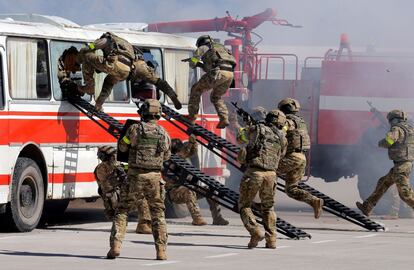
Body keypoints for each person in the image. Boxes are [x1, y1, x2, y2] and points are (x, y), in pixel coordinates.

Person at [107, 99, 171, 260]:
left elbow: (122, 147)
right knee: (157, 214)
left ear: (143, 113)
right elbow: (167, 155)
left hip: (135, 176)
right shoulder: (164, 132)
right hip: (155, 178)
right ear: (158, 115)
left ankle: (115, 246)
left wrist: (126, 142)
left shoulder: (135, 129)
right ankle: (161, 251)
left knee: (122, 210)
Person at [74, 32, 181, 111]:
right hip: (132, 68)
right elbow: (157, 81)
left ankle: (91, 89)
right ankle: (172, 95)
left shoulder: (106, 39)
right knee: (156, 81)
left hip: (115, 65)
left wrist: (80, 57)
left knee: (87, 56)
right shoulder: (125, 44)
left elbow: (91, 47)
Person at [237, 109, 287, 249]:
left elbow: (240, 139)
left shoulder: (256, 128)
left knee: (244, 205)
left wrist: (247, 126)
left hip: (254, 172)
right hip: (271, 175)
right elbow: (281, 155)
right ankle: (271, 240)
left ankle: (255, 231)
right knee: (268, 208)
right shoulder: (282, 136)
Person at [356, 109, 414, 216]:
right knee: (383, 183)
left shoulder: (396, 129)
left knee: (406, 194)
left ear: (394, 120)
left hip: (401, 165)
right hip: (405, 164)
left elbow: (388, 141)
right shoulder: (410, 129)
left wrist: (379, 143)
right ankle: (367, 207)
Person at [166, 135, 229, 225]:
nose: (181, 153)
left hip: (189, 188)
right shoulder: (168, 161)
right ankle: (197, 218)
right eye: (179, 151)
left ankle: (217, 217)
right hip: (174, 193)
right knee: (189, 191)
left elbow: (191, 151)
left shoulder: (181, 158)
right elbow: (171, 178)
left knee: (210, 189)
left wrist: (193, 143)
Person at [277, 98, 324, 219]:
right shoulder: (301, 122)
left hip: (292, 157)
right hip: (302, 158)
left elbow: (280, 133)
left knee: (267, 171)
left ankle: (260, 203)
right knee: (291, 189)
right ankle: (314, 201)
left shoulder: (288, 122)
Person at [186, 35, 236, 129]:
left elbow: (192, 64)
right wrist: (200, 65)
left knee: (196, 89)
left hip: (218, 72)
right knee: (216, 97)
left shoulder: (202, 47)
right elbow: (210, 67)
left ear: (200, 43)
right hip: (230, 75)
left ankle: (192, 117)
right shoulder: (222, 49)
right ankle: (224, 118)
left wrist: (192, 62)